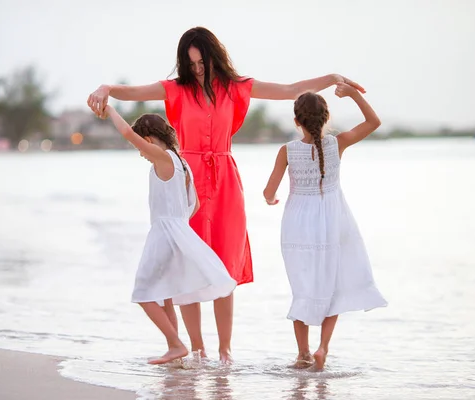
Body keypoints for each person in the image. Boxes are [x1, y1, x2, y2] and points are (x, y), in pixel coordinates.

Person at [88, 26, 365, 363]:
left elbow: (290, 89)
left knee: (226, 265)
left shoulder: (236, 87)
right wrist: (106, 88)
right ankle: (198, 348)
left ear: (213, 56)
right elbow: (132, 93)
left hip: (224, 184)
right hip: (187, 182)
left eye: (202, 62)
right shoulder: (174, 89)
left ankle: (225, 350)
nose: (197, 69)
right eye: (190, 64)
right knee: (186, 264)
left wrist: (333, 76)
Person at [262, 83, 388, 370]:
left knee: (303, 287)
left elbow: (269, 191)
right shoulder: (337, 143)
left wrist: (271, 199)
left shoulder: (287, 150)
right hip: (333, 220)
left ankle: (302, 353)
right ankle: (322, 349)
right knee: (333, 285)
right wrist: (355, 95)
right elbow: (374, 122)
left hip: (297, 225)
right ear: (326, 118)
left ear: (296, 121)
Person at [100, 105, 237, 365]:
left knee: (143, 292)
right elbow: (194, 205)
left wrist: (110, 111)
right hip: (180, 231)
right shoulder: (182, 163)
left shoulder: (162, 158)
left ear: (149, 140)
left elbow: (128, 133)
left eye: (141, 147)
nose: (141, 153)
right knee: (166, 295)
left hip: (164, 233)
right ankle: (174, 348)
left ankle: (175, 344)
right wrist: (178, 221)